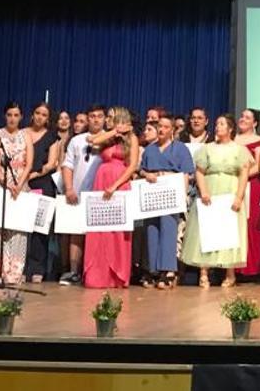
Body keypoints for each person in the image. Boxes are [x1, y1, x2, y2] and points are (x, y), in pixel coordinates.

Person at [182, 114, 251, 287]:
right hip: (211, 191)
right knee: (206, 230)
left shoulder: (239, 150)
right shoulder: (207, 149)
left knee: (229, 232)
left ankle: (230, 274)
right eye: (217, 123)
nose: (218, 127)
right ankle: (203, 273)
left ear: (230, 129)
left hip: (230, 190)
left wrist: (239, 197)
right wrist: (204, 191)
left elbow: (243, 174)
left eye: (222, 124)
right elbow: (199, 171)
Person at [84, 106, 140, 288]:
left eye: (110, 117)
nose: (106, 120)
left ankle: (117, 274)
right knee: (100, 229)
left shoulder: (132, 139)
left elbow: (132, 166)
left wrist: (115, 186)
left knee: (117, 231)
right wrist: (114, 131)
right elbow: (92, 140)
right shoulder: (107, 137)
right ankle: (97, 274)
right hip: (101, 181)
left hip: (120, 183)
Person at [0, 102, 34, 287]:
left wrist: (19, 183)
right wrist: (6, 182)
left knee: (17, 230)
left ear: (21, 117)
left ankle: (12, 274)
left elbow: (29, 163)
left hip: (20, 185)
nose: (12, 118)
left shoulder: (25, 135)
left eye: (16, 115)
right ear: (5, 116)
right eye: (9, 114)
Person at [139, 115, 193, 289]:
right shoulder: (150, 150)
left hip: (171, 191)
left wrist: (182, 196)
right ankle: (151, 269)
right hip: (152, 192)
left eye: (165, 127)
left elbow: (185, 172)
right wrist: (147, 175)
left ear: (172, 130)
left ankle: (168, 270)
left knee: (169, 229)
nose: (161, 129)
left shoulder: (180, 149)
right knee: (151, 229)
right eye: (159, 126)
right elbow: (141, 170)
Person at [58, 105, 105, 286]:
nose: (95, 119)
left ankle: (95, 270)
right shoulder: (76, 141)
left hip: (100, 194)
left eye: (99, 116)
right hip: (77, 192)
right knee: (75, 233)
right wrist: (69, 188)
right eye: (92, 116)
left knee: (97, 235)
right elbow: (67, 165)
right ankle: (73, 271)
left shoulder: (109, 139)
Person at [23, 102, 62, 283]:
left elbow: (52, 163)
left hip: (42, 183)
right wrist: (23, 177)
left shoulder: (52, 136)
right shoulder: (22, 133)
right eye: (37, 113)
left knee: (40, 228)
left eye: (44, 114)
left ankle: (37, 268)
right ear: (32, 114)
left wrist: (34, 173)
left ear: (48, 118)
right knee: (22, 226)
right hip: (22, 184)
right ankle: (20, 267)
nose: (40, 117)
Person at [234, 108, 260, 278]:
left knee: (252, 225)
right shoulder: (232, 139)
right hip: (231, 186)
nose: (242, 119)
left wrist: (242, 177)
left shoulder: (259, 141)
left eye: (247, 117)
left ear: (255, 123)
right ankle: (234, 268)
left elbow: (259, 165)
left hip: (252, 185)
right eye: (242, 116)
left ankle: (253, 268)